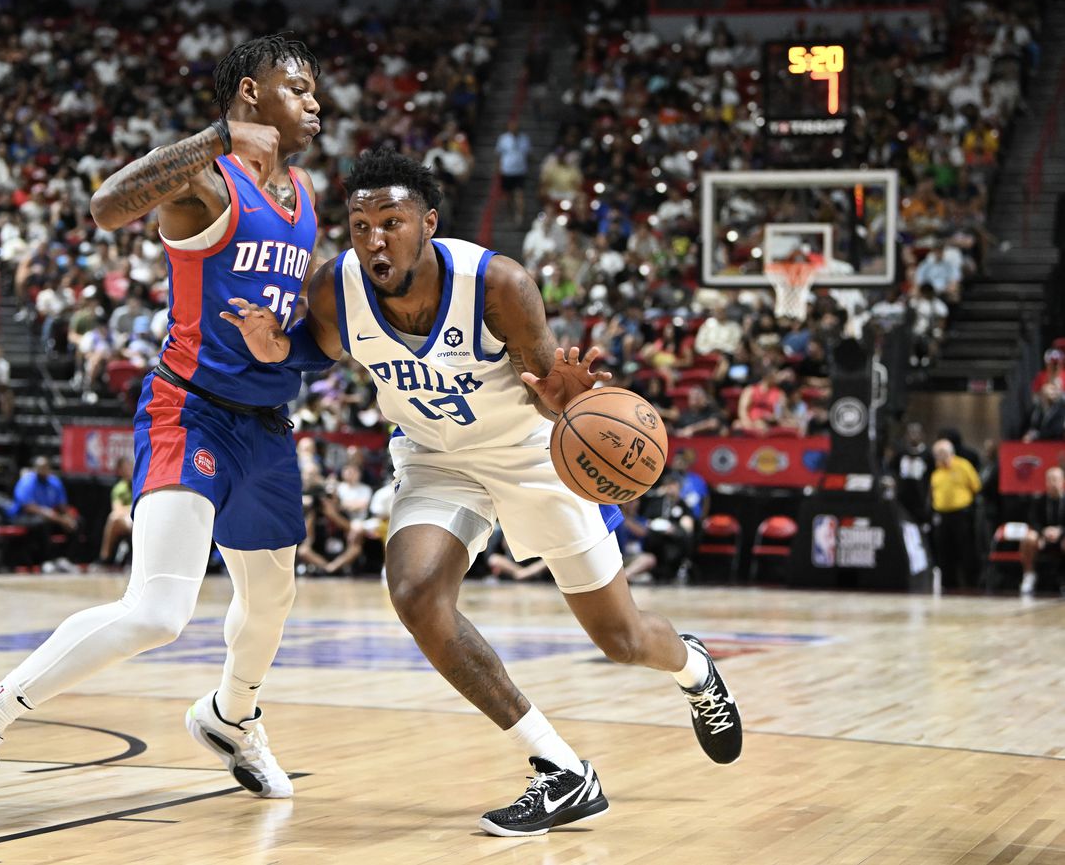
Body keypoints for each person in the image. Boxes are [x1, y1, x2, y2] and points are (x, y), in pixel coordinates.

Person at [224, 149, 740, 837]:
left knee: (622, 637)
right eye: (360, 224)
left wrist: (562, 402)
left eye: (392, 222)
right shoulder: (335, 287)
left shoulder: (499, 285)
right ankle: (560, 769)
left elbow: (547, 391)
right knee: (414, 593)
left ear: (428, 223)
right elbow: (315, 348)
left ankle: (694, 667)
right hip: (437, 457)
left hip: (529, 456)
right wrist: (273, 350)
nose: (374, 239)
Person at [0, 35, 327, 832]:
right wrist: (214, 137)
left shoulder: (303, 193)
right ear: (250, 93)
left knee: (271, 599)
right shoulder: (209, 180)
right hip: (192, 408)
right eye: (298, 87)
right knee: (157, 611)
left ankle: (230, 716)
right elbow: (106, 206)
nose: (314, 102)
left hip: (268, 424)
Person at [930, 438, 982, 589]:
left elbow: (976, 486)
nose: (940, 456)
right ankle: (948, 585)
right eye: (937, 454)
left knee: (965, 550)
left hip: (961, 514)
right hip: (942, 515)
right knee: (944, 551)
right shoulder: (936, 472)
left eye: (943, 453)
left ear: (951, 452)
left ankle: (971, 584)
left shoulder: (963, 465)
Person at [1018, 466, 1065, 596]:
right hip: (1043, 538)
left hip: (1062, 538)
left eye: (1055, 479)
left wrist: (1060, 531)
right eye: (1049, 480)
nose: (1053, 483)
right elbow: (1033, 521)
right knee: (1028, 538)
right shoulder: (1039, 500)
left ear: (1062, 481)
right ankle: (1029, 576)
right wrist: (1043, 532)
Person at [495, 119, 531, 224]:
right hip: (507, 171)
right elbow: (498, 155)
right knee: (508, 195)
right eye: (512, 126)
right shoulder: (503, 139)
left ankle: (520, 215)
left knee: (520, 193)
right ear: (508, 126)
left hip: (520, 171)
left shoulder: (524, 139)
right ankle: (510, 213)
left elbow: (528, 154)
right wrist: (498, 169)